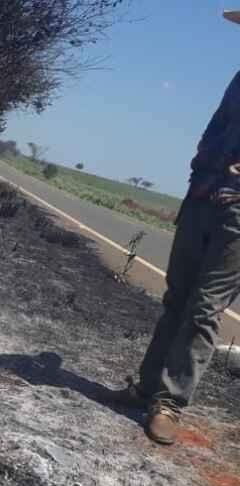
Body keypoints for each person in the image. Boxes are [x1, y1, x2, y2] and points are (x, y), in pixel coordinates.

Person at [114, 10, 240, 445]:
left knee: (204, 309)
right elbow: (214, 132)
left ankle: (170, 402)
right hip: (203, 198)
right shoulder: (238, 79)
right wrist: (199, 175)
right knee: (177, 297)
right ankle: (148, 388)